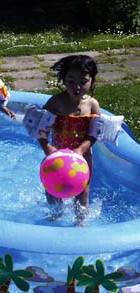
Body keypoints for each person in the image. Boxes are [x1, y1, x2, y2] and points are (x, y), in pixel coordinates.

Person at [38, 55, 100, 225]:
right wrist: (48, 148)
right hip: (56, 155)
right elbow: (40, 129)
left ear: (92, 81)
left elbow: (95, 132)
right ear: (63, 80)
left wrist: (81, 150)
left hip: (83, 155)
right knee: (52, 189)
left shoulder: (92, 105)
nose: (77, 86)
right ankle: (55, 216)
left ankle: (80, 221)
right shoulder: (56, 103)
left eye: (83, 81)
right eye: (71, 81)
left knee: (83, 188)